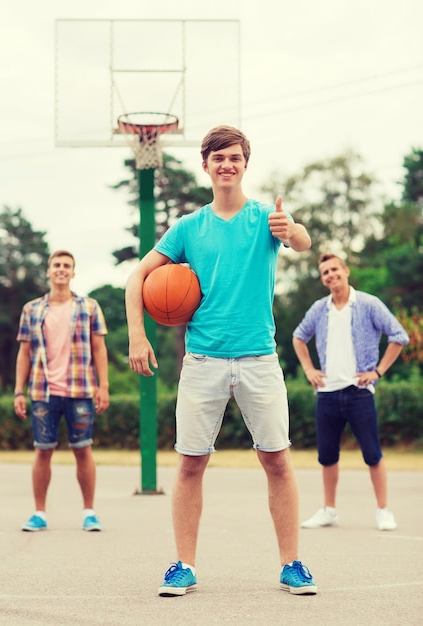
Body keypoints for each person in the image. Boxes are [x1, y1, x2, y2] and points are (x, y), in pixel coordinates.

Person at [125, 125, 317, 596]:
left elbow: (303, 241)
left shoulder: (264, 219)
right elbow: (137, 279)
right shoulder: (189, 228)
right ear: (206, 165)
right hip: (203, 360)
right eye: (218, 158)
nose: (227, 164)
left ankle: (292, 564)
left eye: (235, 157)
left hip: (258, 359)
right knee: (191, 464)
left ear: (245, 164)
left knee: (277, 460)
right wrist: (136, 335)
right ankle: (183, 566)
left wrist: (290, 229)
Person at [292, 253, 409, 531]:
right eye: (325, 273)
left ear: (346, 270)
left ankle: (383, 510)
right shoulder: (320, 309)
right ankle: (329, 510)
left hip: (359, 392)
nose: (330, 275)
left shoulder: (368, 304)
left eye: (334, 269)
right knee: (328, 456)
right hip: (327, 394)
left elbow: (398, 336)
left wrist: (377, 372)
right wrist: (309, 370)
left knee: (372, 454)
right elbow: (298, 336)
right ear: (322, 279)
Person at [14, 250, 110, 532]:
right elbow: (24, 353)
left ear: (73, 273)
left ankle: (89, 512)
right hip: (43, 391)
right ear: (48, 271)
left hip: (80, 389)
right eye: (56, 265)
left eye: (66, 266)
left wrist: (103, 386)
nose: (61, 269)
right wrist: (19, 391)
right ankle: (39, 513)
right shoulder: (31, 309)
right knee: (43, 450)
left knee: (83, 449)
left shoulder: (89, 307)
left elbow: (99, 349)